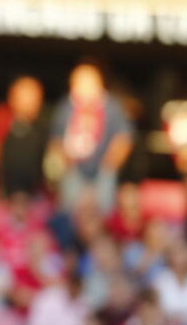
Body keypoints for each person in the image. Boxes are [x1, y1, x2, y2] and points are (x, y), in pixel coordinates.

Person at [47, 62, 134, 213]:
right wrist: (67, 163)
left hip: (103, 171)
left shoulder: (112, 107)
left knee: (103, 210)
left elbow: (124, 139)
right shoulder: (65, 107)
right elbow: (56, 140)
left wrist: (108, 167)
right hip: (73, 171)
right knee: (70, 211)